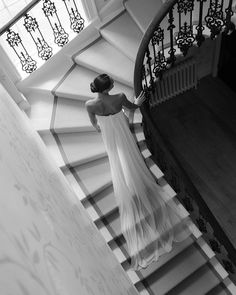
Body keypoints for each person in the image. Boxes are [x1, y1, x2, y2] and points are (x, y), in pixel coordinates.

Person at [86, 73, 190, 270]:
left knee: (115, 155)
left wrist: (99, 127)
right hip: (120, 127)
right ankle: (134, 176)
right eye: (112, 83)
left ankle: (126, 180)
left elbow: (93, 123)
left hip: (108, 131)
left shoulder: (89, 105)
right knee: (128, 151)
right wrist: (138, 101)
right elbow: (131, 108)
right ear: (108, 88)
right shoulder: (118, 97)